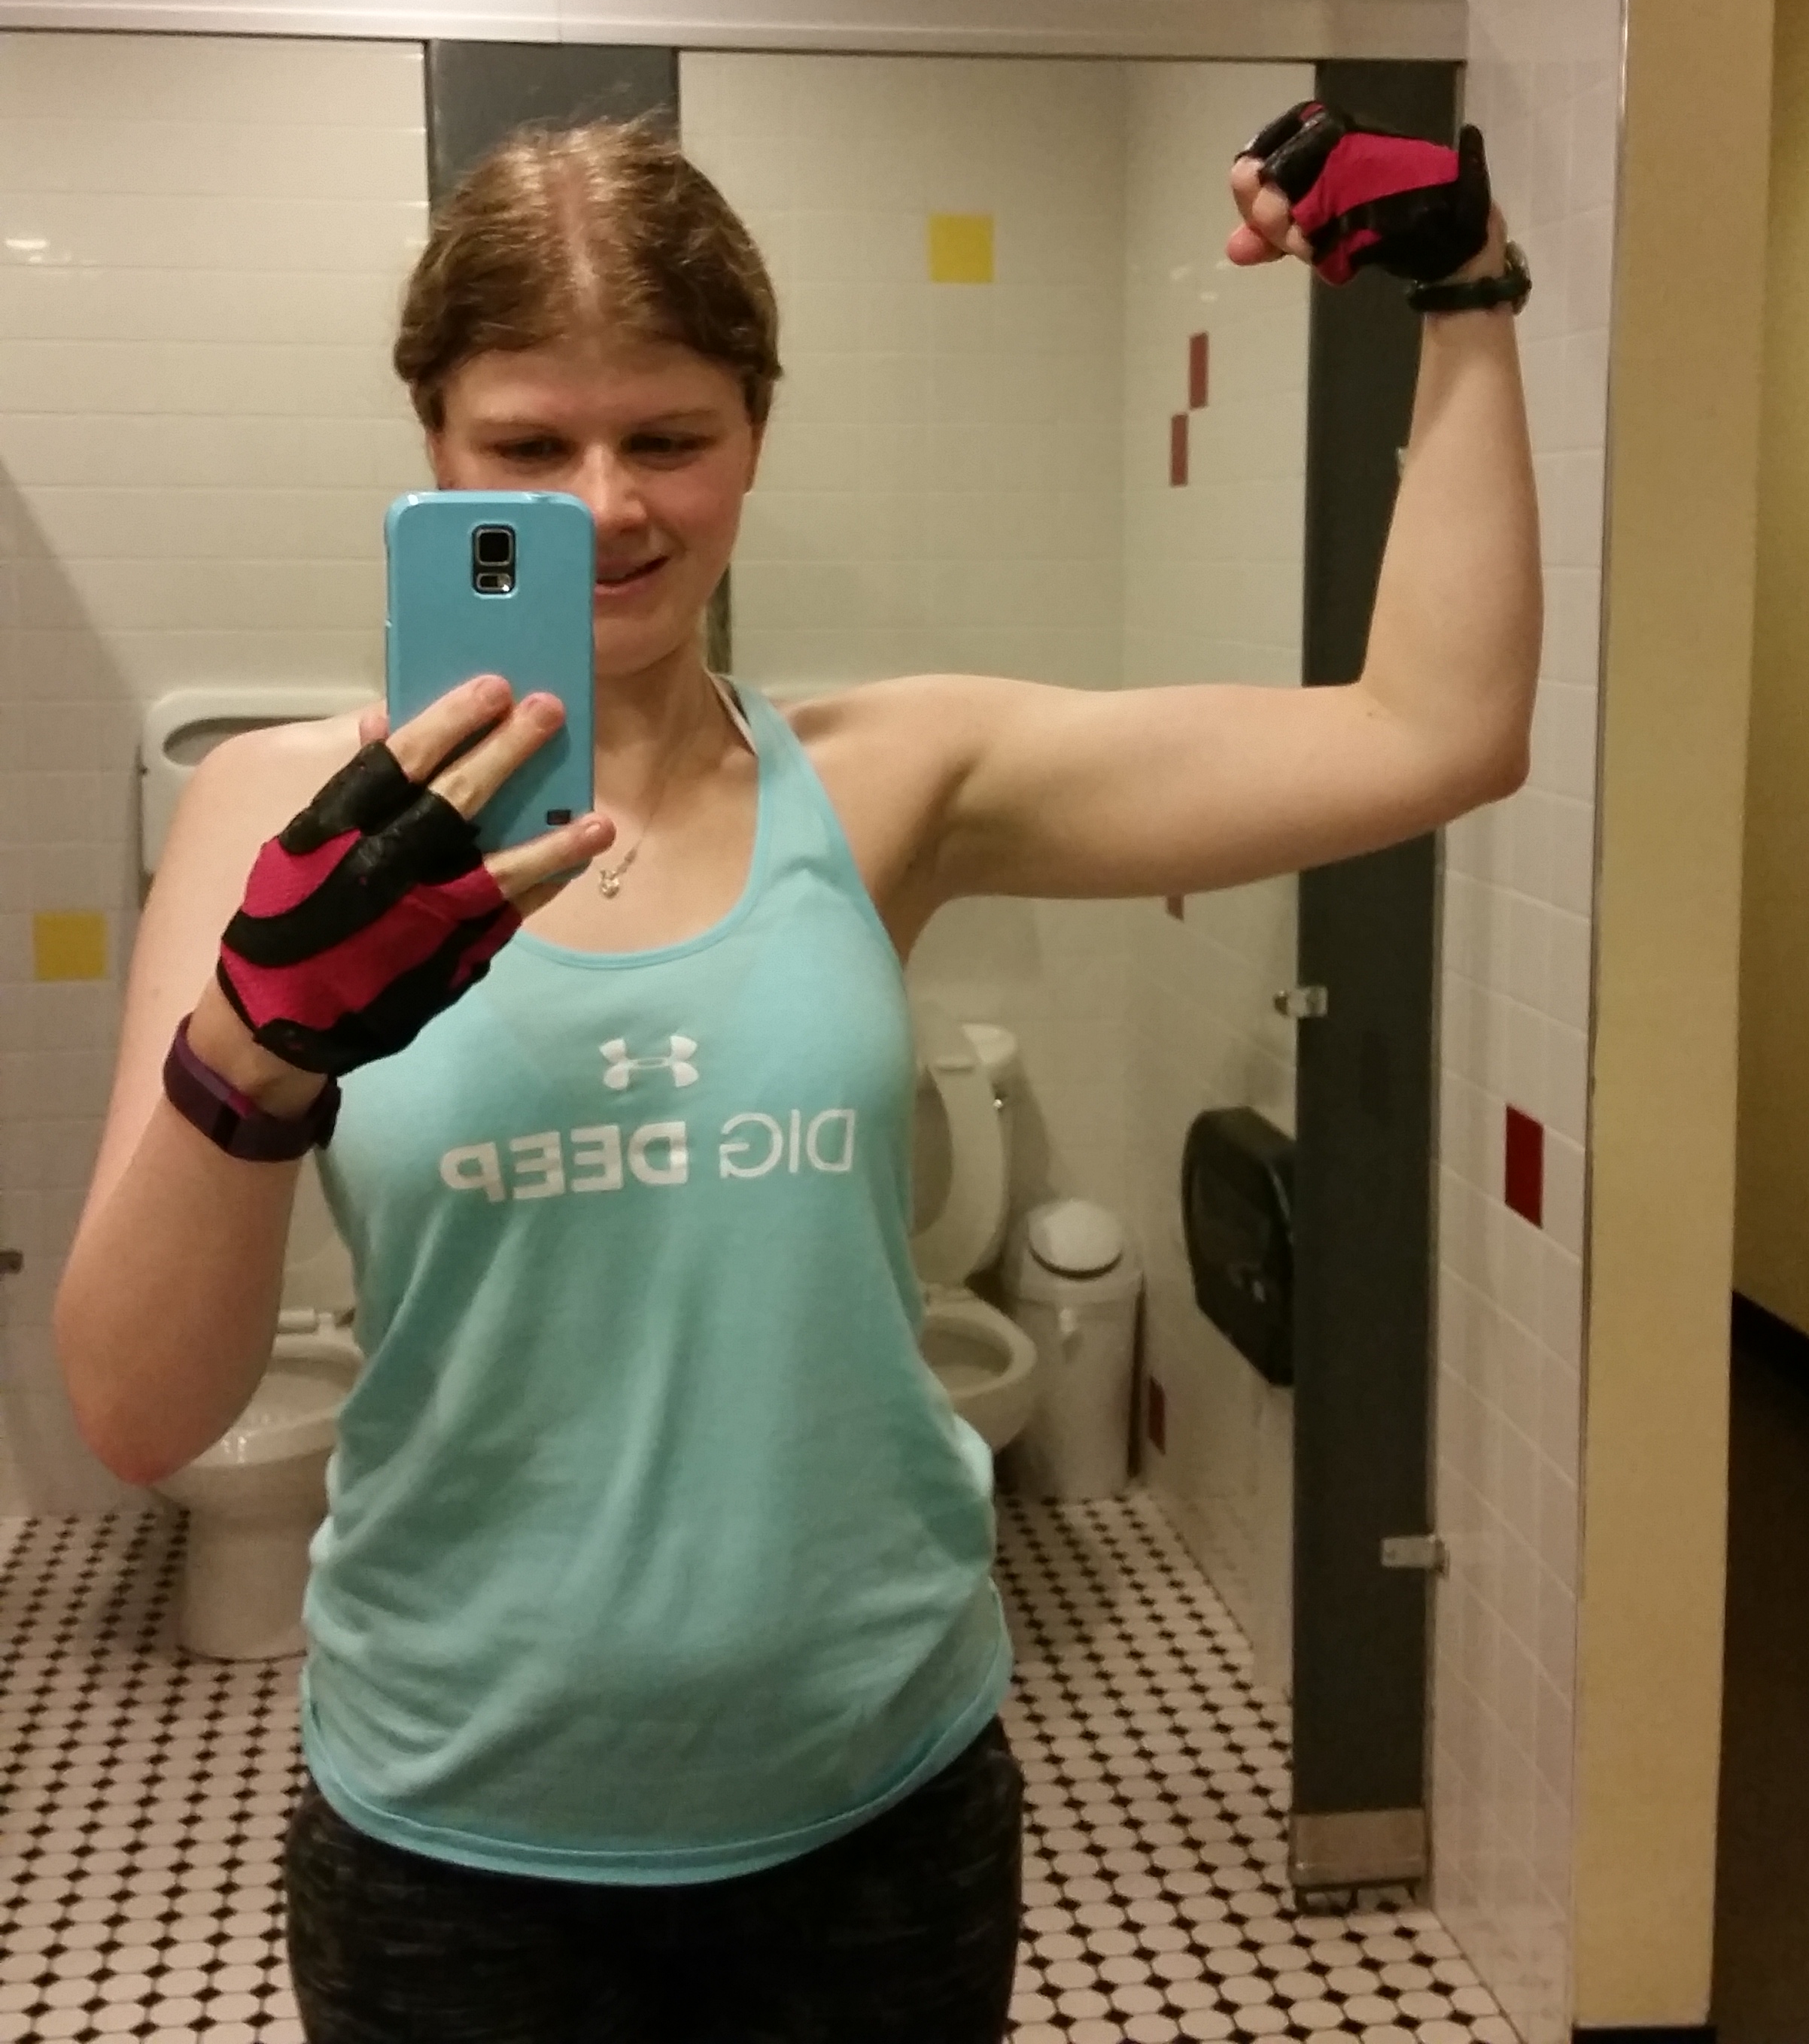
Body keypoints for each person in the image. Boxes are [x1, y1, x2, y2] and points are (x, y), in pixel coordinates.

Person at [55, 103, 1540, 2043]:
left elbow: (1437, 732)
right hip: (455, 1843)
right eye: (530, 447)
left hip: (877, 1818)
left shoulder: (889, 780)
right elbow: (139, 1415)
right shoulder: (276, 823)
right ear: (435, 445)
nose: (609, 508)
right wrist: (253, 1049)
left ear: (757, 434)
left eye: (670, 438)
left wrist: (1466, 294)